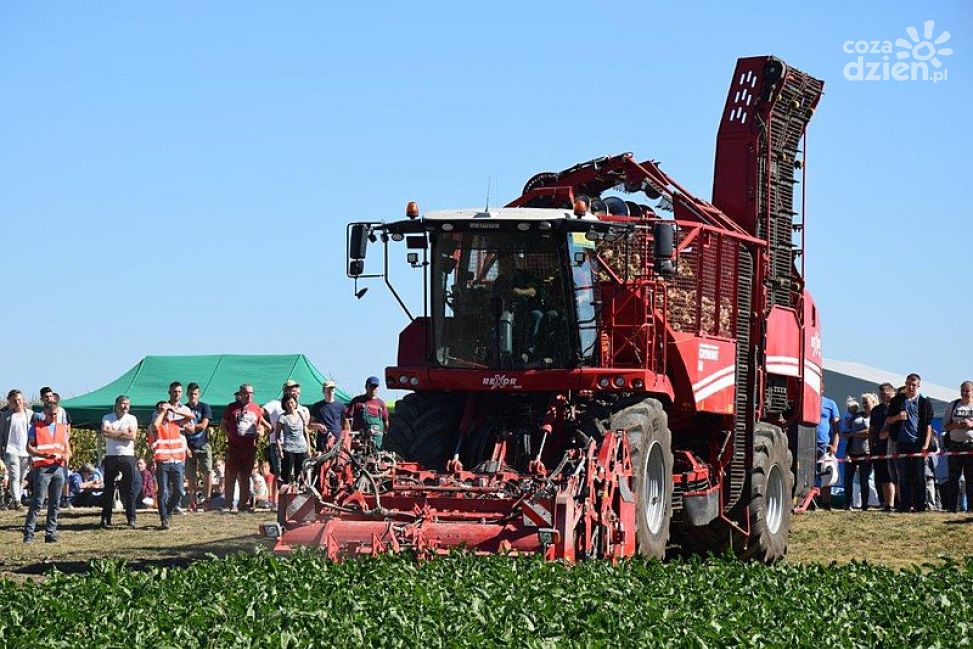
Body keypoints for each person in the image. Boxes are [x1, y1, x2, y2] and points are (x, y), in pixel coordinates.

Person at [23, 393, 71, 544]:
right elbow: (29, 447)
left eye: (56, 414)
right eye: (51, 414)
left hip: (58, 467)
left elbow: (67, 447)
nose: (54, 417)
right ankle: (29, 534)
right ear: (45, 413)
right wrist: (41, 453)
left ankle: (50, 533)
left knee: (55, 503)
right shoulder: (36, 428)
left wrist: (67, 457)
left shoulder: (62, 428)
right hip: (42, 468)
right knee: (38, 501)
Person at [492, 253, 557, 363]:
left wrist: (521, 291)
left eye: (507, 262)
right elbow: (493, 298)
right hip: (505, 309)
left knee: (537, 316)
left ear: (512, 263)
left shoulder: (525, 276)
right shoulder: (500, 280)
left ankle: (527, 352)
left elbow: (533, 291)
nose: (504, 265)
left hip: (527, 309)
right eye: (502, 263)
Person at [886, 373, 935, 513]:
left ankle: (921, 505)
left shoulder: (924, 402)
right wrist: (897, 417)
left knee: (919, 476)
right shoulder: (897, 401)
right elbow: (888, 420)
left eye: (914, 385)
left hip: (917, 443)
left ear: (918, 385)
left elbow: (928, 426)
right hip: (902, 443)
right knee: (904, 476)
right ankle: (905, 505)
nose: (911, 387)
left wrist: (925, 445)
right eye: (908, 384)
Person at [220, 384, 272, 513]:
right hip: (234, 447)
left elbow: (260, 426)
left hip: (249, 448)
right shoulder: (232, 407)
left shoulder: (256, 408)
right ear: (240, 394)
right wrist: (230, 436)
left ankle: (243, 504)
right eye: (246, 393)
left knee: (245, 476)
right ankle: (228, 503)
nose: (249, 395)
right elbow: (223, 425)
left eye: (251, 393)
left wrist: (260, 433)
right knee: (230, 476)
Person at [149, 400, 192, 529]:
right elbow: (155, 427)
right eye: (163, 410)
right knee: (163, 492)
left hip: (177, 461)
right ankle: (164, 519)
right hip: (163, 461)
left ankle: (167, 511)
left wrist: (175, 411)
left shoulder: (175, 424)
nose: (166, 412)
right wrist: (162, 412)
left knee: (179, 491)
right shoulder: (155, 425)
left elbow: (190, 417)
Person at [100, 394, 140, 528]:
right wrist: (122, 433)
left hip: (127, 456)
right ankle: (106, 518)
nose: (125, 406)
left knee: (129, 489)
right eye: (123, 404)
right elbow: (105, 432)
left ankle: (131, 518)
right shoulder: (107, 417)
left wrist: (115, 433)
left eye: (128, 404)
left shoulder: (132, 418)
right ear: (116, 404)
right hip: (111, 456)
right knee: (108, 488)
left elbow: (132, 436)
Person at [182, 382, 213, 511]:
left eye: (195, 394)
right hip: (188, 445)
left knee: (208, 472)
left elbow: (204, 425)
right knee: (190, 476)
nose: (193, 396)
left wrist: (189, 427)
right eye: (191, 394)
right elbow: (180, 429)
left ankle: (207, 500)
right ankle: (193, 502)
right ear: (187, 394)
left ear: (198, 394)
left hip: (203, 444)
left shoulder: (204, 407)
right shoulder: (183, 408)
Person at [943, 380, 973, 512]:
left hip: (970, 446)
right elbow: (946, 425)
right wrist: (957, 424)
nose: (964, 393)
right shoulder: (953, 405)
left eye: (967, 391)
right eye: (962, 391)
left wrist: (971, 425)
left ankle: (971, 508)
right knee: (953, 478)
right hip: (955, 445)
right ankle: (952, 507)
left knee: (970, 478)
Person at [840, 396, 873, 510]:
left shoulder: (874, 417)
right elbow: (845, 432)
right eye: (863, 402)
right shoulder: (856, 415)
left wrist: (854, 434)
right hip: (851, 451)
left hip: (866, 452)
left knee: (864, 481)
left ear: (873, 403)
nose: (864, 405)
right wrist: (850, 434)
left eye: (867, 402)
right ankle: (847, 504)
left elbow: (870, 432)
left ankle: (864, 505)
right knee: (848, 480)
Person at [1, 390, 32, 510]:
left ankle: (15, 500)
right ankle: (17, 501)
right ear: (11, 402)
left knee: (21, 477)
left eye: (19, 399)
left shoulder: (30, 414)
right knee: (14, 475)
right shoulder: (6, 416)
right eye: (15, 400)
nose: (18, 402)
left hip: (26, 450)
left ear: (23, 400)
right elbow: (2, 434)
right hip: (11, 449)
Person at [869, 383, 896, 511]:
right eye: (881, 394)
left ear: (892, 393)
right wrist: (871, 445)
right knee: (883, 477)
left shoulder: (896, 408)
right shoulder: (876, 410)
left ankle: (898, 502)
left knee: (894, 476)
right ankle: (887, 503)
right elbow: (872, 429)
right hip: (879, 447)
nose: (883, 396)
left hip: (893, 446)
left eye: (885, 394)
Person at [275, 395, 312, 486]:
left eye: (292, 402)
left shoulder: (300, 414)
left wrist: (309, 448)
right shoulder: (282, 417)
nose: (290, 405)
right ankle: (286, 493)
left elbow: (306, 432)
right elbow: (277, 434)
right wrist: (280, 449)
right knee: (286, 473)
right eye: (287, 403)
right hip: (288, 448)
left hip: (302, 448)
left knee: (302, 473)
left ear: (295, 403)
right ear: (284, 405)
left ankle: (301, 490)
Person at [345, 377, 389, 450]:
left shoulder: (381, 403)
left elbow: (386, 422)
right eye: (371, 386)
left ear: (378, 388)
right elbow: (347, 418)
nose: (373, 389)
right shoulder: (357, 401)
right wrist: (350, 435)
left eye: (375, 387)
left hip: (378, 442)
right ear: (366, 387)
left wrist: (385, 434)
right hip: (360, 441)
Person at [816, 390, 841, 509]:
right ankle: (809, 501)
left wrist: (835, 445)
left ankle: (826, 503)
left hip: (823, 443)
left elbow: (836, 428)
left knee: (826, 473)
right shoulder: (806, 399)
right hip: (805, 442)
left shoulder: (830, 404)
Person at [310, 380, 346, 452]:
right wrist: (318, 426)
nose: (330, 393)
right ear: (323, 391)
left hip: (337, 442)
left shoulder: (341, 406)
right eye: (328, 391)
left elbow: (346, 424)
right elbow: (309, 425)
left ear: (335, 391)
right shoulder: (317, 406)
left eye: (332, 391)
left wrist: (345, 438)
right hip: (322, 442)